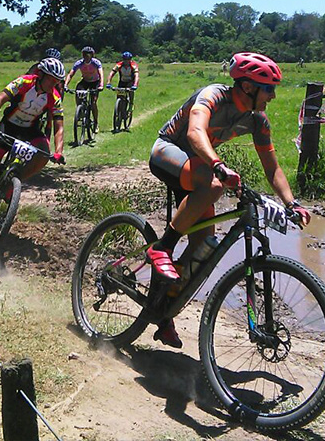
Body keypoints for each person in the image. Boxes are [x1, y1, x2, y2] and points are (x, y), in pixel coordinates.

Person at [145, 52, 311, 347]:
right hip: (169, 152)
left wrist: (291, 203)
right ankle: (162, 247)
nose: (272, 96)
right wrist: (219, 166)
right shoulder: (214, 95)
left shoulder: (258, 120)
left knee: (203, 252)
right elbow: (196, 133)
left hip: (201, 168)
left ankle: (162, 312)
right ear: (248, 87)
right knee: (213, 184)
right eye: (269, 89)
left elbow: (272, 168)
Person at [0, 58, 66, 229]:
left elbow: (59, 127)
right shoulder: (24, 82)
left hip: (31, 131)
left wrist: (59, 151)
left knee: (44, 155)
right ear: (41, 75)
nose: (54, 84)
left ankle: (12, 183)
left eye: (57, 81)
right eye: (51, 79)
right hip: (8, 126)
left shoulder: (54, 97)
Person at [65, 46, 103, 132]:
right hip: (85, 81)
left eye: (89, 54)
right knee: (78, 90)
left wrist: (101, 85)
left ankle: (96, 122)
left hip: (95, 82)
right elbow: (71, 74)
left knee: (93, 102)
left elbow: (101, 74)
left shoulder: (96, 63)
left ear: (92, 55)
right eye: (85, 54)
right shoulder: (79, 63)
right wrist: (65, 85)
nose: (87, 56)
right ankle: (80, 109)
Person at [106, 51, 139, 121]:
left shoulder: (133, 65)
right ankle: (119, 109)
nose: (126, 61)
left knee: (130, 92)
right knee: (119, 96)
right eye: (125, 59)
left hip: (130, 82)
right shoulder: (119, 65)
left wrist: (135, 85)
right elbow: (111, 73)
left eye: (128, 59)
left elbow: (136, 76)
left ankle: (131, 105)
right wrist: (108, 83)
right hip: (122, 82)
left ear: (130, 59)